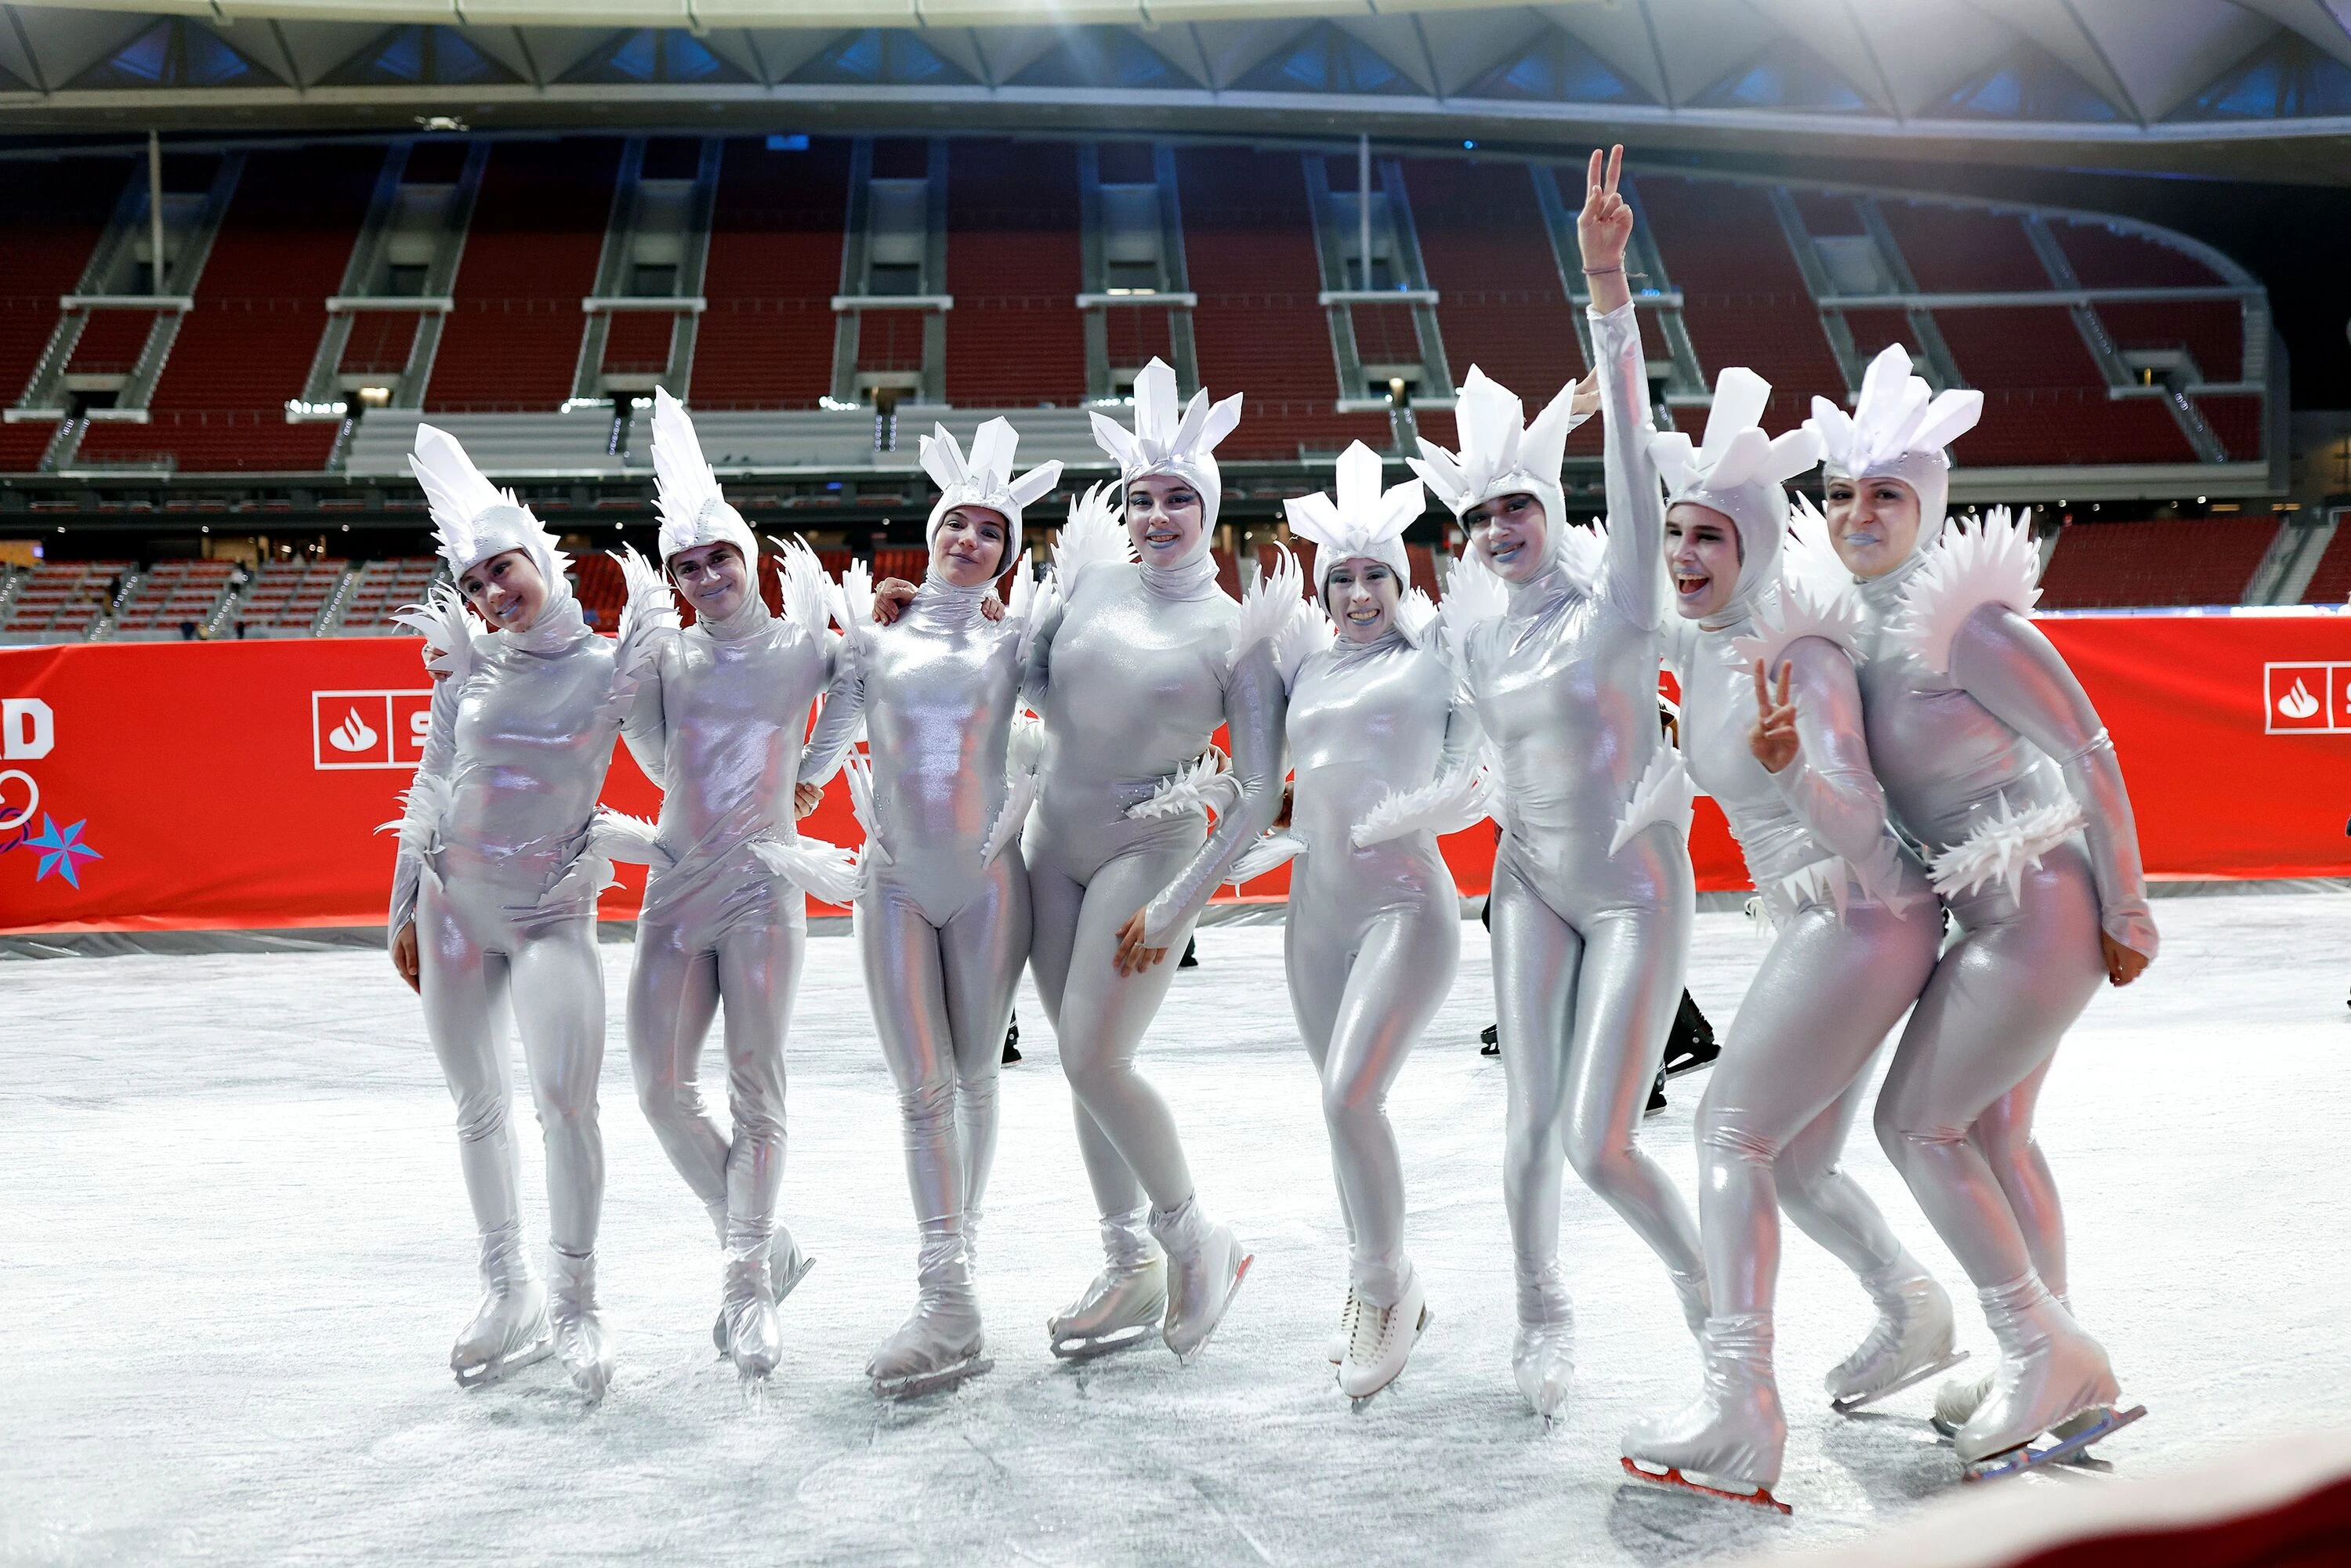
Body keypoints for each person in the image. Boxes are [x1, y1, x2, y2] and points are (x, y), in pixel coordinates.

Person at [1807, 344, 2157, 1472]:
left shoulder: (1970, 621)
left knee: (1914, 1122)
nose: (1859, 513)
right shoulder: (1852, 624)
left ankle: (2037, 1345)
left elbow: (2090, 751)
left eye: (1886, 496)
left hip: (2042, 911)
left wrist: (2133, 906)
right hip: (1992, 915)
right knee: (1998, 1130)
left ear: (1931, 505)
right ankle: (2047, 1353)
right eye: (1844, 494)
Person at [1616, 369, 1953, 1507]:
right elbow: (1626, 495)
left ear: (1754, 545)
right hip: (1837, 916)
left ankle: (1741, 1410)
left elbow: (1858, 825)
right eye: (1675, 533)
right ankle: (1914, 1310)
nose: (1684, 554)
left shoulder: (1792, 646)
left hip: (1860, 908)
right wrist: (1609, 308)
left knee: (1729, 1132)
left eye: (1711, 535)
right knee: (1799, 1161)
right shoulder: (1706, 634)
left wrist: (1789, 772)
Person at [1408, 147, 1705, 1425]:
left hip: (1637, 891)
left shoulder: (1625, 594)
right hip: (1526, 883)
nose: (1501, 530)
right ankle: (1542, 1316)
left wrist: (1604, 281)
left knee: (1606, 1139)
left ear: (1555, 499)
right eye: (1482, 517)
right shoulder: (1473, 632)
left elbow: (1633, 441)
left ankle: (1720, 1317)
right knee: (1527, 1121)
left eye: (1519, 504)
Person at [384, 422, 672, 1400]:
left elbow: (674, 767)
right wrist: (401, 906)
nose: (488, 597)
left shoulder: (612, 668)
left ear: (541, 559)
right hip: (452, 906)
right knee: (476, 1107)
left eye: (501, 572)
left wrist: (657, 841)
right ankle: (505, 1292)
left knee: (566, 1106)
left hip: (553, 913)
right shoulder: (469, 665)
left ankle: (576, 1307)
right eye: (472, 587)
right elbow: (433, 773)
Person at [1021, 359, 1291, 1363]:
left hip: (1151, 846)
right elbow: (1031, 685)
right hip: (1055, 842)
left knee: (1098, 1056)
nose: (1158, 514)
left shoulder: (1238, 631)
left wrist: (1182, 901)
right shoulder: (1086, 581)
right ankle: (1126, 1264)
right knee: (1080, 1069)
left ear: (1210, 509)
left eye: (1181, 499)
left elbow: (1260, 789)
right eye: (1142, 497)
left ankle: (1194, 1237)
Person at [801, 416, 1060, 1397]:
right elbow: (825, 748)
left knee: (975, 1079)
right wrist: (792, 794)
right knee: (921, 1088)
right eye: (958, 523)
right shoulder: (876, 636)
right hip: (896, 881)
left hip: (993, 882)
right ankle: (944, 1292)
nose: (970, 541)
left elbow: (1093, 703)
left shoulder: (1016, 645)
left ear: (1008, 550)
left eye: (992, 531)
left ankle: (961, 1274)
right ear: (933, 528)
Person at [619, 389, 844, 1401]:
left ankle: (747, 1277)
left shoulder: (805, 646)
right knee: (664, 1092)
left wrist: (814, 775)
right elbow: (657, 754)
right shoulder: (666, 655)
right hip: (674, 892)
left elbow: (859, 687)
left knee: (757, 1087)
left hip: (764, 892)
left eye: (720, 558)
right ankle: (760, 1240)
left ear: (748, 556)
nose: (707, 577)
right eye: (688, 566)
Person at [1265, 442, 1483, 1400]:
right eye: (1343, 578)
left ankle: (1382, 1288)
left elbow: (1478, 778)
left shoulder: (1442, 656)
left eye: (1376, 578)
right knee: (1345, 1106)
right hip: (1311, 913)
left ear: (1406, 579)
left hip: (1406, 904)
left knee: (1350, 1096)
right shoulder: (1302, 668)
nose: (1359, 595)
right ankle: (1386, 1281)